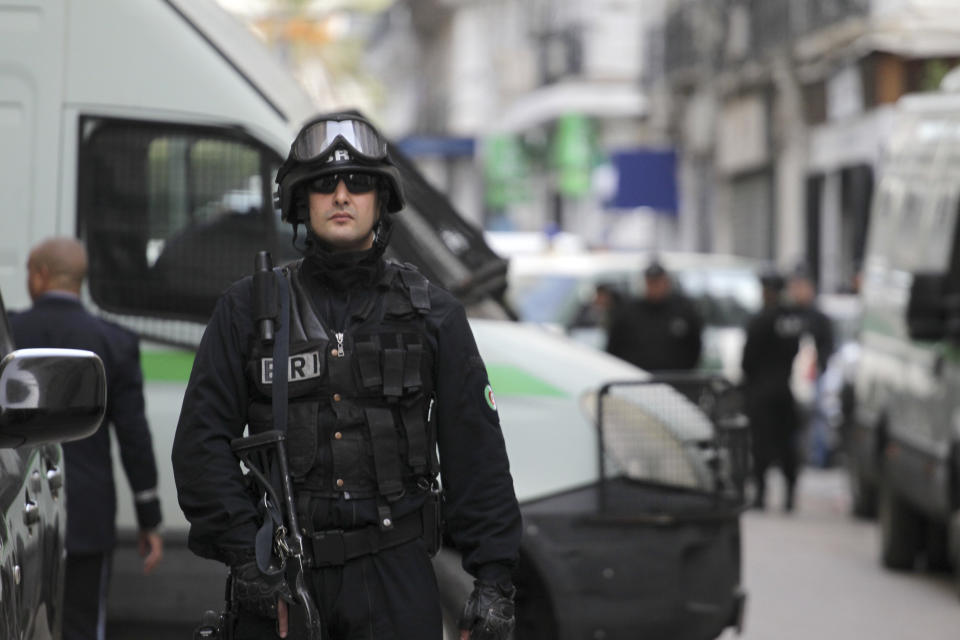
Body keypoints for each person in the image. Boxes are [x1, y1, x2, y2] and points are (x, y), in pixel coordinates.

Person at [171, 112, 521, 640]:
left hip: (395, 576)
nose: (340, 196)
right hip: (282, 576)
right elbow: (200, 445)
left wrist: (494, 582)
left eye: (358, 183)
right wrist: (248, 559)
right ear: (299, 202)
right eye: (323, 185)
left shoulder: (434, 314)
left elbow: (478, 455)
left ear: (380, 201)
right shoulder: (247, 311)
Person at [9, 237, 164, 640]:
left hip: (13, 509)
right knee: (80, 625)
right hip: (86, 515)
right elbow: (134, 436)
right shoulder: (115, 342)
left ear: (40, 275)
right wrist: (149, 516)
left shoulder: (10, 334)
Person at [741, 269, 803, 512]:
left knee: (761, 444)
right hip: (784, 389)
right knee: (786, 443)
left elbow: (748, 360)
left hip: (762, 391)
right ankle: (789, 494)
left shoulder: (761, 320)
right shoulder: (790, 319)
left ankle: (761, 494)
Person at [605, 259, 703, 372]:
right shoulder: (628, 312)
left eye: (658, 282)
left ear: (666, 282)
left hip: (676, 379)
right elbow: (614, 346)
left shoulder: (684, 310)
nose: (655, 287)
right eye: (651, 282)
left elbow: (695, 346)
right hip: (635, 380)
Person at [786, 266, 835, 468]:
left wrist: (819, 366)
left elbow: (828, 346)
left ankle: (817, 458)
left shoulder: (818, 317)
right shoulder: (788, 315)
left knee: (817, 419)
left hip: (815, 376)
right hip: (791, 377)